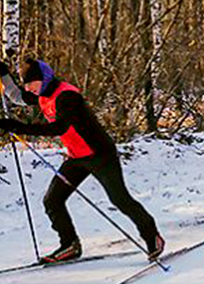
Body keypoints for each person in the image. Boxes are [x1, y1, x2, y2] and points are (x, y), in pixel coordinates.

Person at [0, 59, 164, 263]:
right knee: (52, 200)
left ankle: (152, 237)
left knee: (119, 200)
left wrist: (18, 126)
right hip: (76, 157)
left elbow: (58, 128)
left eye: (31, 83)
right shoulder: (41, 94)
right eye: (26, 84)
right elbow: (16, 97)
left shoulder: (67, 96)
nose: (28, 88)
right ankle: (69, 245)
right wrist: (3, 74)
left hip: (100, 155)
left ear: (44, 78)